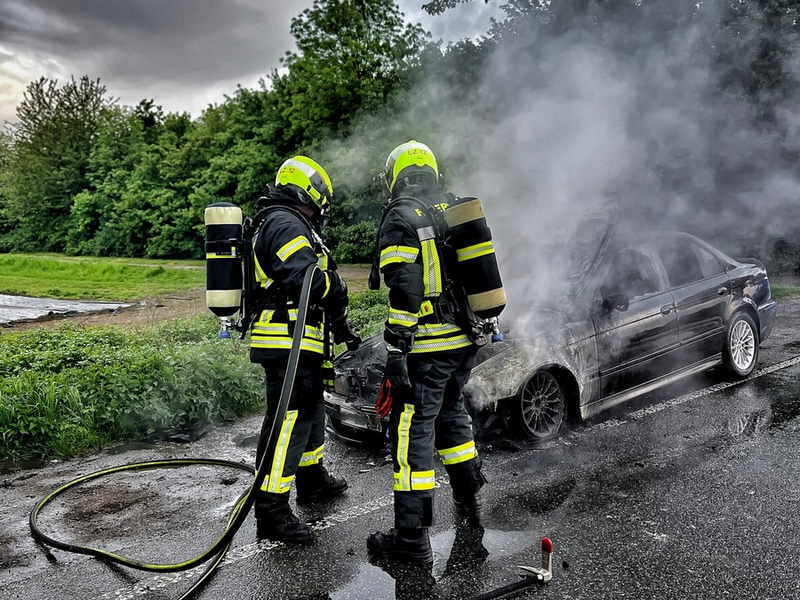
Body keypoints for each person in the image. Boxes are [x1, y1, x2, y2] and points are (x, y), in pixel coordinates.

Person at [366, 140, 490, 563]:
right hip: (462, 343)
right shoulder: (450, 209)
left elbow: (406, 286)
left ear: (394, 175)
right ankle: (471, 512)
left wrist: (397, 350)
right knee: (454, 421)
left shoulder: (401, 215)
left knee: (412, 435)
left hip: (427, 346)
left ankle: (412, 541)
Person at [248, 156, 352, 543]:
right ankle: (272, 511)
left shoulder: (292, 222)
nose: (322, 205)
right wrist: (337, 284)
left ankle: (311, 479)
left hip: (300, 341)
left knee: (310, 412)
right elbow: (305, 279)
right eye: (320, 196)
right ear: (305, 191)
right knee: (287, 422)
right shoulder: (284, 222)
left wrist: (341, 326)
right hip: (285, 341)